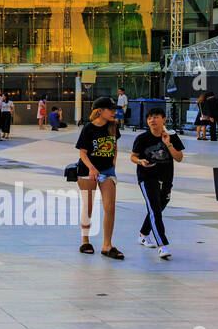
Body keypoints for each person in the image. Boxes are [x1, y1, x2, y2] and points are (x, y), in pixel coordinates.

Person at [130, 106, 183, 259]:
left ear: (163, 119)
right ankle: (162, 245)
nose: (152, 120)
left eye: (156, 117)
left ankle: (143, 234)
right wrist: (140, 161)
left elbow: (179, 157)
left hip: (166, 178)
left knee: (159, 208)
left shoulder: (171, 136)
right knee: (154, 209)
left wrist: (168, 144)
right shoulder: (142, 138)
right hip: (147, 177)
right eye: (150, 118)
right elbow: (133, 157)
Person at [75, 97, 121, 258]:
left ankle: (107, 245)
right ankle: (85, 240)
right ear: (100, 111)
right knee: (88, 206)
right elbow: (83, 152)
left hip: (107, 171)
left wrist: (113, 163)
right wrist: (92, 168)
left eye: (114, 109)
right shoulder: (88, 128)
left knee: (110, 208)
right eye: (111, 109)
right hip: (87, 171)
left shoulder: (113, 126)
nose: (114, 112)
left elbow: (115, 146)